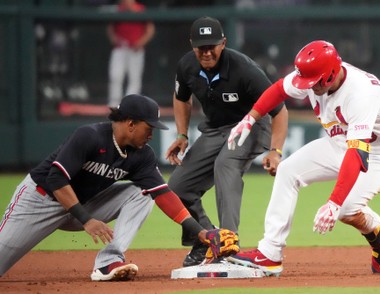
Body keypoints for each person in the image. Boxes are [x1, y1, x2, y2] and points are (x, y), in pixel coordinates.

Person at [0, 94, 236, 281]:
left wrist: (201, 232)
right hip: (40, 201)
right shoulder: (90, 136)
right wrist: (87, 220)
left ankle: (108, 262)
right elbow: (56, 180)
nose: (152, 134)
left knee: (141, 193)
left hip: (83, 206)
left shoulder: (143, 155)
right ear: (131, 124)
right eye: (149, 127)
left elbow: (163, 194)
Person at [227, 40, 380, 276]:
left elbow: (356, 153)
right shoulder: (314, 74)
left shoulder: (361, 93)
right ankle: (270, 254)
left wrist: (333, 202)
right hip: (340, 143)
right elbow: (279, 89)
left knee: (346, 209)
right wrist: (250, 118)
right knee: (288, 170)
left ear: (331, 74)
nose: (307, 87)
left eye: (312, 83)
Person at [165, 16, 288, 267]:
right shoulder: (187, 66)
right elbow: (180, 97)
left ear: (224, 43)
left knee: (226, 164)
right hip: (215, 128)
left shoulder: (244, 69)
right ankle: (206, 238)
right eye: (201, 46)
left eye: (212, 45)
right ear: (192, 44)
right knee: (177, 187)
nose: (207, 51)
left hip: (253, 125)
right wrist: (182, 134)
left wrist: (275, 150)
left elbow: (279, 110)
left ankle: (228, 245)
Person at [107, 0, 155, 107]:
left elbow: (150, 30)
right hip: (120, 48)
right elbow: (110, 28)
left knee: (134, 78)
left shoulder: (141, 10)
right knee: (115, 75)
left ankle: (130, 106)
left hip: (135, 49)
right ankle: (114, 105)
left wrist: (141, 42)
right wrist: (114, 39)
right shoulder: (118, 10)